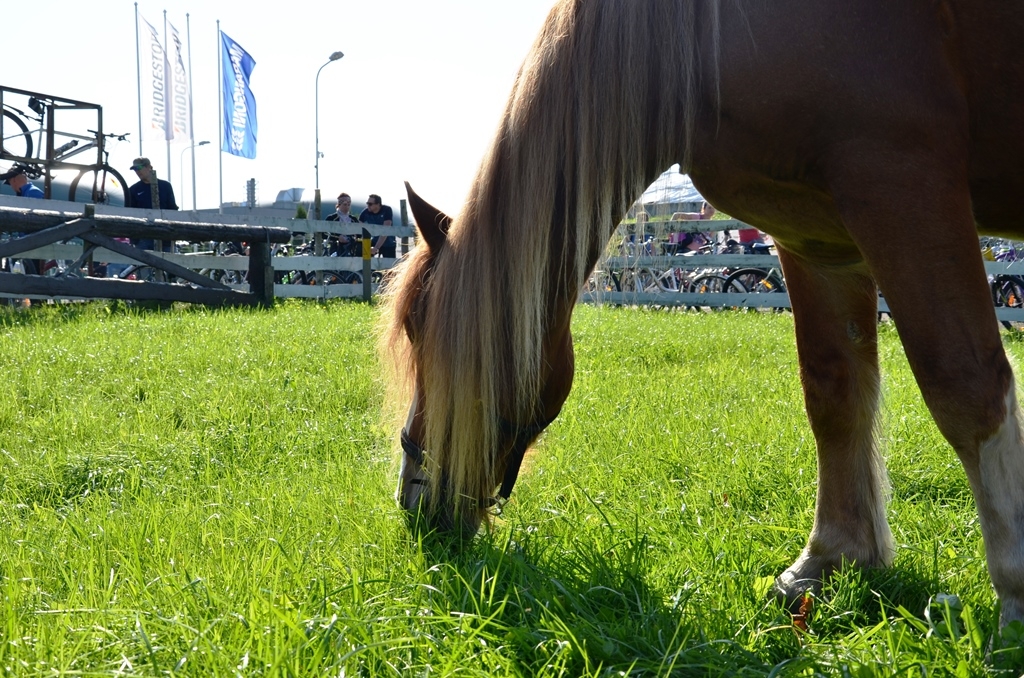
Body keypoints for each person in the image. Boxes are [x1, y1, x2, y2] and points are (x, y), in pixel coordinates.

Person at [126, 157, 178, 251]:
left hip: (165, 235)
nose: (137, 172)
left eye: (139, 168)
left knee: (167, 264)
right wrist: (134, 239)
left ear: (149, 167)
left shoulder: (165, 186)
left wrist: (173, 233)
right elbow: (130, 213)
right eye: (135, 169)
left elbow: (172, 209)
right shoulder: (133, 189)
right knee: (141, 265)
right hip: (143, 236)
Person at [359, 193, 395, 258]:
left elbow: (385, 230)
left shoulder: (386, 210)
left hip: (388, 243)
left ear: (378, 204)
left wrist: (376, 247)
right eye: (367, 203)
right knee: (363, 257)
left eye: (370, 204)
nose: (368, 206)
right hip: (374, 240)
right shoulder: (366, 212)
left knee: (389, 266)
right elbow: (358, 225)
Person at [325, 192, 359, 256]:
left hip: (352, 248)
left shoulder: (353, 219)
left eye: (349, 204)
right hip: (336, 247)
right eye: (345, 204)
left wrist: (354, 237)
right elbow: (324, 233)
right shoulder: (332, 218)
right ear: (339, 204)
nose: (347, 206)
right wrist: (338, 237)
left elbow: (360, 234)